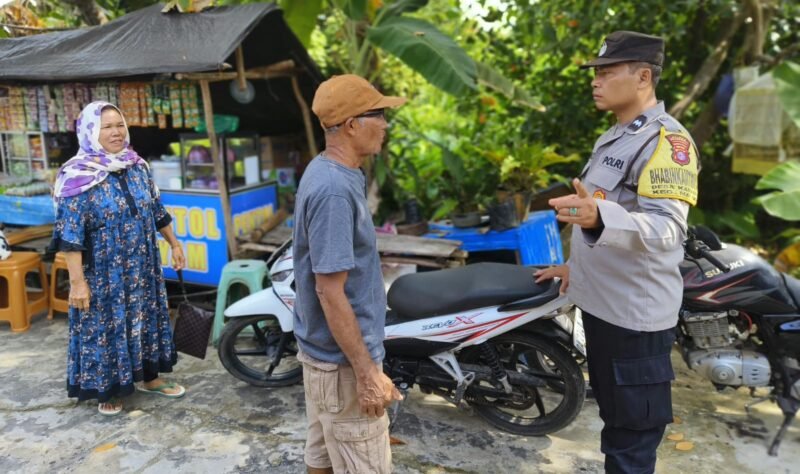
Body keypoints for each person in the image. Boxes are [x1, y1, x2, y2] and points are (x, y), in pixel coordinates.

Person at [535, 31, 699, 473]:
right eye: (597, 72)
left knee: (631, 444)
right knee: (615, 427)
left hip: (634, 319)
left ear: (643, 77)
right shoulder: (617, 136)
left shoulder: (666, 143)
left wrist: (598, 218)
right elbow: (608, 214)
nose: (596, 80)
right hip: (604, 306)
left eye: (607, 72)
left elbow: (668, 229)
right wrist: (575, 265)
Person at [293, 74, 406, 474]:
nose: (386, 124)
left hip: (325, 358)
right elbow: (329, 291)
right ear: (353, 125)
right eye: (379, 115)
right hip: (340, 365)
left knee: (321, 455)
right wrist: (367, 372)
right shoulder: (334, 191)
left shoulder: (335, 172)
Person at [51, 101, 187, 416]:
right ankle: (108, 388)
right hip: (103, 273)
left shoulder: (136, 166)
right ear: (89, 132)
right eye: (107, 127)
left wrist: (175, 244)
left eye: (119, 125)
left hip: (143, 266)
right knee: (105, 327)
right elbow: (70, 237)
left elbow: (157, 210)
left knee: (147, 318)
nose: (116, 132)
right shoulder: (76, 176)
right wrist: (77, 283)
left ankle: (150, 377)